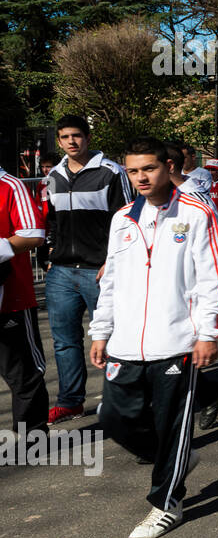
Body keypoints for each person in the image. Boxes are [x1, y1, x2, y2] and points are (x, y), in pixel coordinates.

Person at [89, 137, 218, 538]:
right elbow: (111, 281)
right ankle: (177, 459)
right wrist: (101, 332)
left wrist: (208, 333)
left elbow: (212, 278)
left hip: (177, 341)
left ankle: (166, 504)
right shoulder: (122, 219)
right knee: (113, 417)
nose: (141, 178)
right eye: (133, 171)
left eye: (148, 169)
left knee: (170, 425)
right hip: (126, 343)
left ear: (167, 167)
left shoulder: (196, 212)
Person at [43, 114, 133, 424]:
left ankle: (119, 401)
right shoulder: (52, 177)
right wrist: (50, 254)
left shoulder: (111, 172)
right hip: (62, 272)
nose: (71, 141)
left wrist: (113, 260)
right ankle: (71, 402)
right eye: (65, 136)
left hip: (100, 270)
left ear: (88, 138)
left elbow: (128, 220)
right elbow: (50, 220)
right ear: (59, 140)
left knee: (113, 338)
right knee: (65, 341)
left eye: (77, 135)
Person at [0, 162, 51, 432]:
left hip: (10, 298)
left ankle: (33, 437)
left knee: (23, 374)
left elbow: (34, 234)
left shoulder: (10, 185)